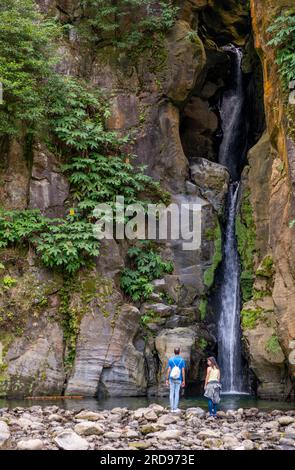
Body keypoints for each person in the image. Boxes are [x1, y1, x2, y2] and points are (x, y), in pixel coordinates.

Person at [166, 348, 186, 413]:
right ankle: (175, 408)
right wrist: (183, 380)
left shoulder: (170, 360)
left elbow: (169, 370)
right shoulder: (182, 360)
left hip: (171, 378)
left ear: (174, 352)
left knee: (171, 393)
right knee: (177, 393)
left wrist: (167, 379)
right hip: (178, 378)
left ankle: (171, 408)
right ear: (179, 352)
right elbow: (183, 371)